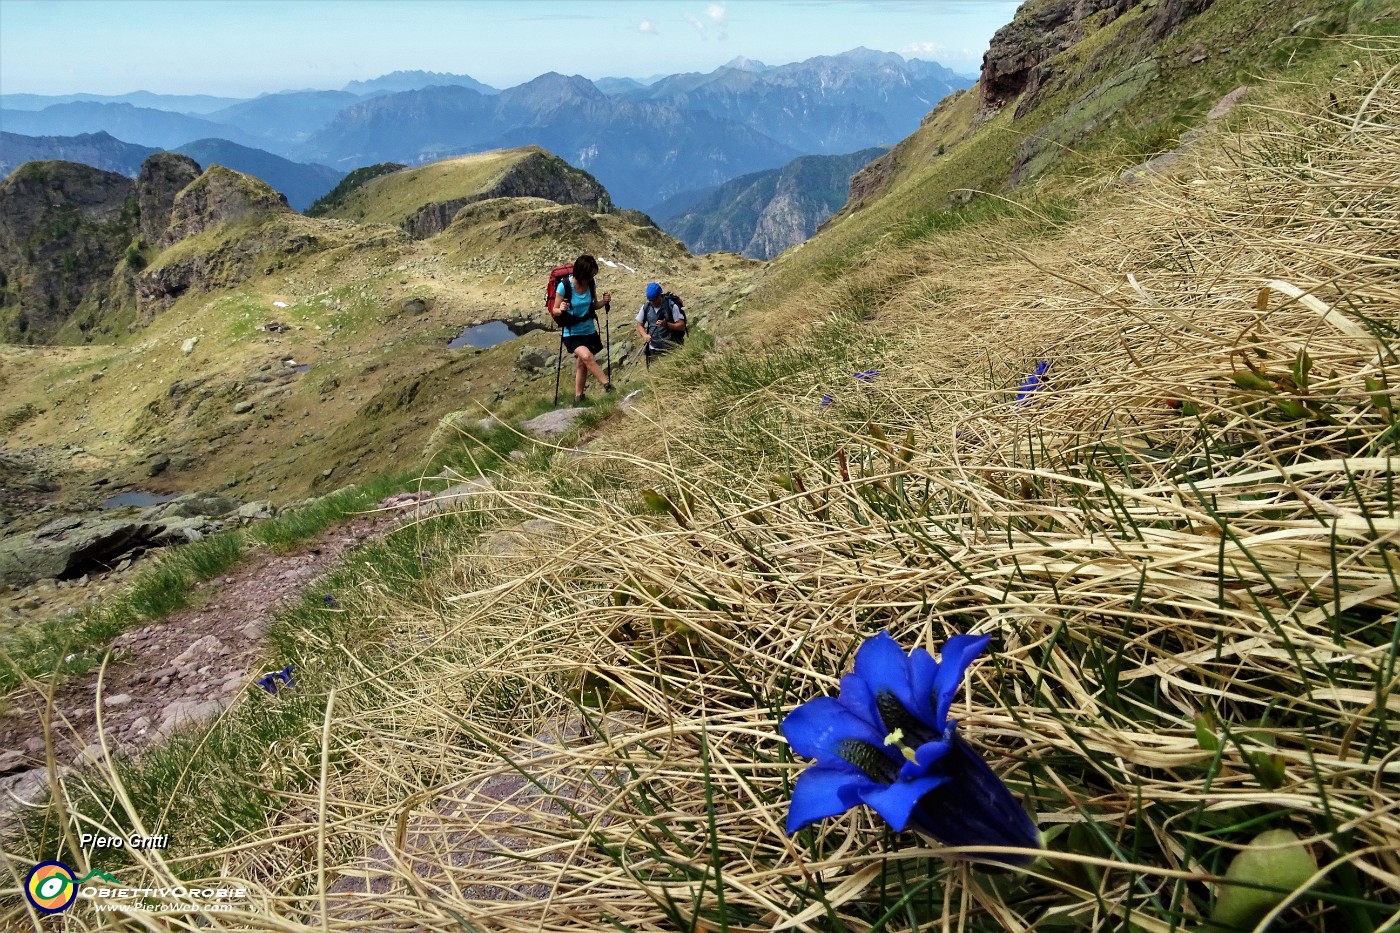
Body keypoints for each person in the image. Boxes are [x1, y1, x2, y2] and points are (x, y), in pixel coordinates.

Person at [553, 254, 614, 403]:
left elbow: (593, 306)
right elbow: (554, 310)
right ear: (582, 272)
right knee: (587, 357)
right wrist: (560, 309)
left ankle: (578, 397)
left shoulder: (591, 284)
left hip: (589, 330)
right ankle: (608, 386)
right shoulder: (564, 286)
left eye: (593, 274)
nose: (592, 276)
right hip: (572, 332)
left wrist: (604, 302)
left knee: (582, 363)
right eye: (590, 274)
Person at [635, 282, 686, 362]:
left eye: (654, 300)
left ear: (660, 295)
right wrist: (645, 335)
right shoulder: (646, 307)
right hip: (653, 350)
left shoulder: (671, 305)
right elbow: (639, 325)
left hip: (672, 350)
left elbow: (682, 326)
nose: (652, 302)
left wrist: (666, 325)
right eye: (650, 300)